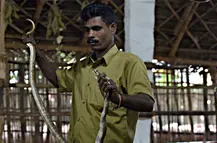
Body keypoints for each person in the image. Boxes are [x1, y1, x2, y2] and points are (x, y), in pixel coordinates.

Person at [23, 2, 154, 143]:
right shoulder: (82, 67)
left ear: (112, 28)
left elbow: (147, 102)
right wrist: (36, 54)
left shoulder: (130, 63)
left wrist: (119, 98)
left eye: (97, 29)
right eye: (87, 30)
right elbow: (57, 78)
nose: (91, 35)